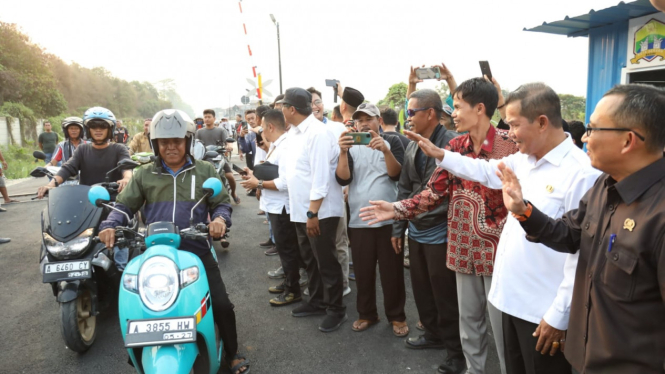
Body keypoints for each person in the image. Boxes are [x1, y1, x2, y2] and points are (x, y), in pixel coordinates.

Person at [411, 82, 601, 374]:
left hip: (542, 313)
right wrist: (441, 155)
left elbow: (580, 254)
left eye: (513, 124)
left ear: (541, 122)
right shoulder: (524, 160)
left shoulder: (581, 174)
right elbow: (485, 171)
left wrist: (559, 315)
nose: (509, 133)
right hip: (509, 300)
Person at [497, 84, 665, 374]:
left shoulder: (658, 216)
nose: (585, 137)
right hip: (585, 356)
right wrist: (524, 211)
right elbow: (569, 235)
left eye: (594, 128)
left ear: (627, 141)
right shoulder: (604, 186)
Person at [361, 78, 518, 374]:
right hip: (461, 246)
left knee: (503, 329)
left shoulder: (508, 146)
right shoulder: (455, 145)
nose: (453, 113)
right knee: (469, 321)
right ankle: (473, 370)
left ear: (480, 108)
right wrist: (397, 210)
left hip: (499, 253)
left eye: (457, 107)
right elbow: (434, 191)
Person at [97, 109, 249, 374]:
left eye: (177, 141)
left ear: (188, 141)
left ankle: (233, 353)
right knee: (136, 301)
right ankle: (139, 352)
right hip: (156, 252)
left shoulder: (205, 170)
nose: (171, 147)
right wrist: (110, 224)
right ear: (156, 144)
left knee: (221, 303)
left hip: (197, 249)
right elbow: (124, 206)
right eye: (164, 142)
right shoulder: (144, 174)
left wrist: (220, 221)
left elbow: (222, 204)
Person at [387, 88, 464, 373]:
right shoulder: (410, 145)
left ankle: (456, 352)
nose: (407, 118)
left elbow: (450, 192)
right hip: (416, 229)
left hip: (442, 230)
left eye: (411, 112)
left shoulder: (454, 144)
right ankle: (433, 334)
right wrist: (398, 227)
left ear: (430, 113)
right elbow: (404, 188)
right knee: (421, 288)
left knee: (446, 294)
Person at [335, 103, 407, 335]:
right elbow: (343, 180)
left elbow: (397, 174)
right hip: (359, 218)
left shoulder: (392, 141)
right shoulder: (351, 145)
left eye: (369, 118)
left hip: (388, 218)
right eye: (360, 120)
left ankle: (396, 316)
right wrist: (343, 152)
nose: (364, 123)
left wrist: (385, 150)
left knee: (392, 272)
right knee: (364, 272)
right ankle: (367, 314)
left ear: (379, 121)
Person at [280, 87, 347, 332]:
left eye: (283, 106)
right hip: (301, 210)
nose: (281, 111)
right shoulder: (295, 133)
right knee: (310, 260)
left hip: (320, 212)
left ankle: (336, 309)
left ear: (292, 109)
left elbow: (320, 178)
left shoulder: (317, 133)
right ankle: (317, 301)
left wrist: (312, 213)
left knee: (326, 261)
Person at [240, 109, 304, 306]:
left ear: (270, 126)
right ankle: (288, 283)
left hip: (282, 207)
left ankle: (293, 290)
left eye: (262, 126)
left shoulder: (285, 147)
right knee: (285, 250)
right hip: (275, 206)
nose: (260, 132)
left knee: (288, 251)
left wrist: (257, 184)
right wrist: (254, 174)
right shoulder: (278, 145)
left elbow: (284, 182)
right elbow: (271, 171)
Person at [309, 86, 351, 296]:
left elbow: (349, 160)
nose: (315, 106)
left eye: (317, 101)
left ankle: (342, 284)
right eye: (310, 103)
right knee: (317, 249)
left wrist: (347, 188)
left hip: (335, 196)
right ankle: (322, 288)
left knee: (339, 242)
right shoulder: (302, 133)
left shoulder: (337, 127)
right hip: (312, 202)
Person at [37, 107, 132, 198]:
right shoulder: (82, 149)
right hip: (86, 200)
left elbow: (126, 167)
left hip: (114, 200)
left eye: (103, 126)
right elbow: (68, 168)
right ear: (88, 129)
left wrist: (126, 179)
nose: (98, 129)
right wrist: (50, 185)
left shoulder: (119, 148)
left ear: (110, 129)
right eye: (93, 126)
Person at [196, 109, 239, 205]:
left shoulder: (221, 130)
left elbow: (228, 141)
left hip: (219, 158)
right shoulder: (199, 132)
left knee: (230, 176)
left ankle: (233, 193)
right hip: (204, 159)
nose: (207, 119)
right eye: (205, 117)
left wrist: (229, 146)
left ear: (214, 118)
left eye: (209, 117)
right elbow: (195, 144)